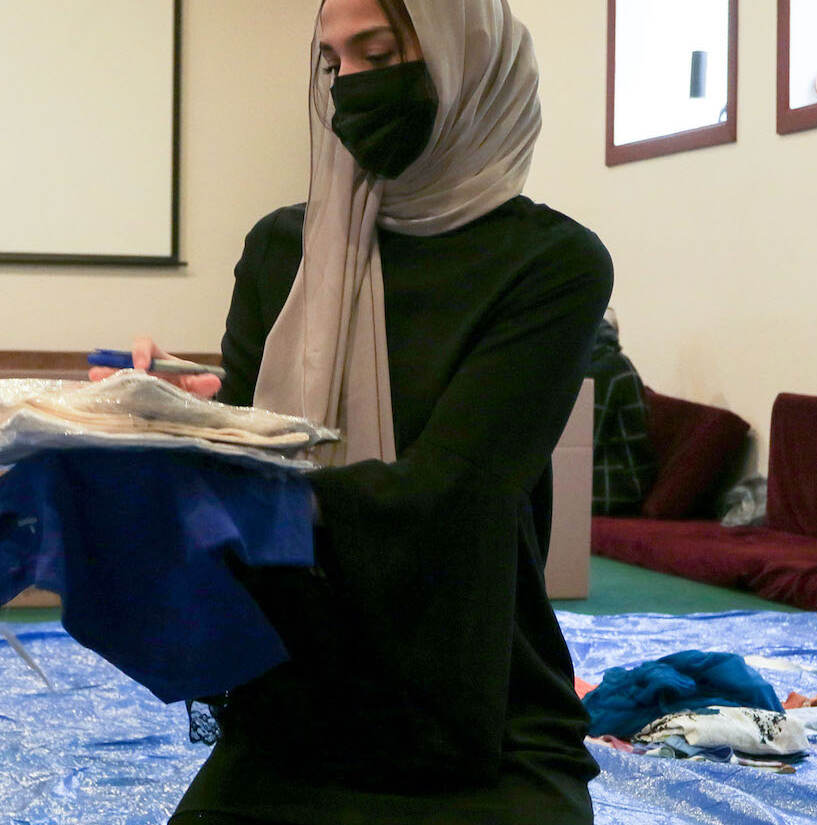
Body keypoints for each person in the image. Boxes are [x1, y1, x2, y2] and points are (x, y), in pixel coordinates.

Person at [95, 1, 613, 822]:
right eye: (336, 64)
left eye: (380, 52)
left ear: (468, 60)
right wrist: (169, 419)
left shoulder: (552, 266)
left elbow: (454, 491)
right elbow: (244, 436)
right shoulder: (282, 250)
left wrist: (233, 475)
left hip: (475, 691)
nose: (353, 89)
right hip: (298, 678)